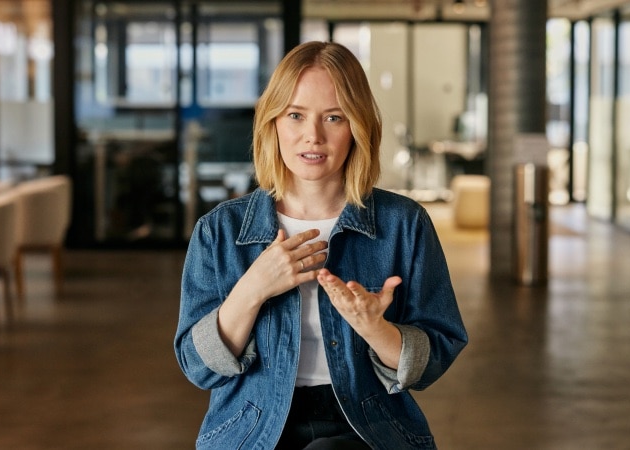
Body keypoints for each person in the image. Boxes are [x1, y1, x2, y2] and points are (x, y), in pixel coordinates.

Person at [174, 41, 468, 450]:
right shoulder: (219, 230)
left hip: (369, 425)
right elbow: (197, 367)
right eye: (295, 115)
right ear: (273, 122)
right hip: (250, 426)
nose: (312, 136)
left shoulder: (405, 223)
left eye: (334, 117)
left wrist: (375, 329)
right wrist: (253, 288)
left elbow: (434, 357)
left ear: (358, 126)